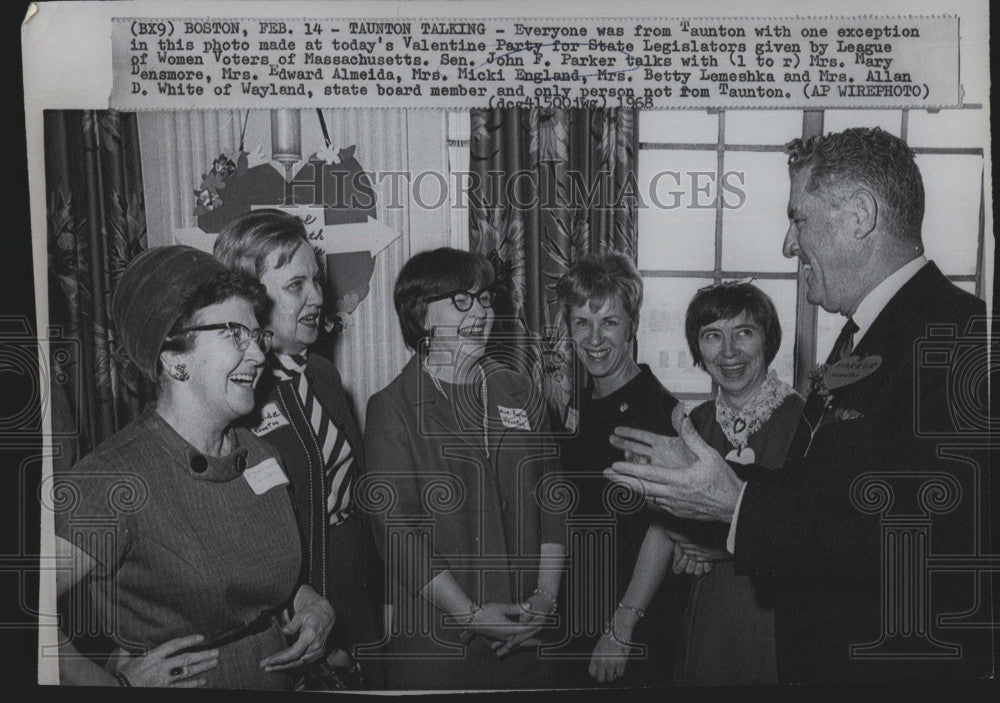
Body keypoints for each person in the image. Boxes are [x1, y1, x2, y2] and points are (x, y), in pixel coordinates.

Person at [605, 127, 990, 683]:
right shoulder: (862, 336)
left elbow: (923, 546)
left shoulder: (960, 341)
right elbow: (831, 492)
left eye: (799, 218)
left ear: (859, 216)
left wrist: (734, 503)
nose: (789, 244)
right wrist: (710, 486)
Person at [53, 245, 334, 689]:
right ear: (173, 358)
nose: (260, 356)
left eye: (257, 336)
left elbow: (254, 579)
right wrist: (113, 687)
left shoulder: (260, 454)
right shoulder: (112, 479)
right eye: (234, 334)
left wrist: (312, 602)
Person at [364, 247, 567, 690]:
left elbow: (554, 502)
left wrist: (545, 600)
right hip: (442, 647)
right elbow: (397, 531)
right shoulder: (392, 407)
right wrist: (471, 615)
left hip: (527, 639)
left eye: (486, 299)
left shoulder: (519, 389)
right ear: (420, 315)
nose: (480, 311)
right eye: (461, 300)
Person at [214, 210, 383, 688]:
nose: (316, 297)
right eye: (295, 286)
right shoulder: (235, 395)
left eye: (315, 281)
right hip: (285, 619)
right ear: (248, 297)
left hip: (350, 600)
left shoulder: (325, 376)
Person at [607, 281, 805, 686]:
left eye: (744, 333)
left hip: (780, 618)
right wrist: (620, 628)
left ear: (769, 339)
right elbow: (661, 531)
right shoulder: (693, 425)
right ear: (698, 349)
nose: (728, 352)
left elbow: (817, 536)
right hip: (710, 616)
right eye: (713, 335)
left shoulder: (806, 423)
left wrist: (717, 546)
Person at [548, 252, 685, 687]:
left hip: (630, 619)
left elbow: (662, 529)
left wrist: (621, 628)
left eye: (609, 321)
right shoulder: (579, 404)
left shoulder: (657, 410)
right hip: (578, 611)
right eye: (581, 322)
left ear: (632, 326)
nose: (594, 338)